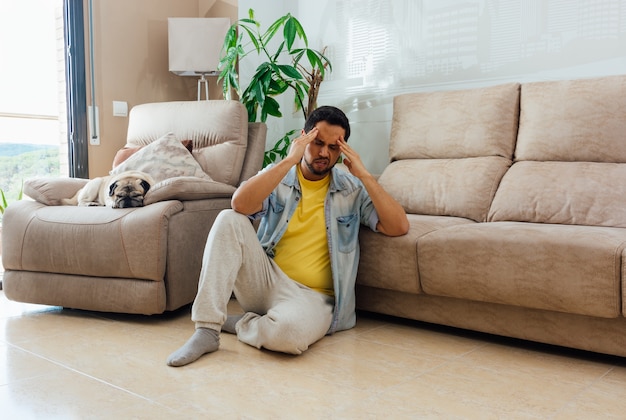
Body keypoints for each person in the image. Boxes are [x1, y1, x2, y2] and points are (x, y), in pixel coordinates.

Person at [167, 105, 409, 367]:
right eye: (317, 143)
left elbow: (398, 226)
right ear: (303, 137)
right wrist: (289, 161)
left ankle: (243, 323)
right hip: (266, 280)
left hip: (315, 298)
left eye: (334, 147)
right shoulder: (279, 176)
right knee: (228, 219)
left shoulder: (352, 189)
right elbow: (240, 204)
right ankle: (207, 330)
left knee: (288, 337)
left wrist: (363, 174)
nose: (324, 153)